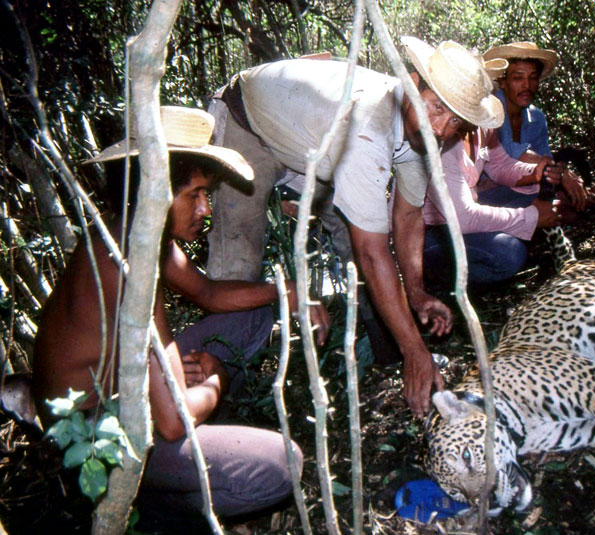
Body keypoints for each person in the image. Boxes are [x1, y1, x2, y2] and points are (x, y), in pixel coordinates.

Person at [32, 106, 330, 530]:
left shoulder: (131, 230)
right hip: (98, 438)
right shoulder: (130, 262)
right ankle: (157, 509)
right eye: (194, 195)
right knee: (282, 465)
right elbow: (172, 422)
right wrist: (217, 377)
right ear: (155, 190)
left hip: (127, 391)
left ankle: (197, 448)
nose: (205, 209)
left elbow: (207, 292)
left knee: (255, 316)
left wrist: (288, 293)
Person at [206, 37, 504, 418]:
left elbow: (408, 216)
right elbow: (373, 250)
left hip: (316, 145)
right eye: (435, 108)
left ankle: (385, 356)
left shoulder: (422, 132)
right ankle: (222, 390)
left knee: (356, 239)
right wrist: (417, 350)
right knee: (239, 258)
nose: (440, 129)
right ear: (412, 84)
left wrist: (416, 292)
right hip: (249, 123)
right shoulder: (369, 124)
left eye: (456, 121)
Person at [423, 126, 563, 289]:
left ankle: (505, 241)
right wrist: (530, 217)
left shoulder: (482, 128)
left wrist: (535, 172)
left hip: (469, 208)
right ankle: (433, 267)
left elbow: (500, 166)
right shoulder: (441, 145)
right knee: (509, 253)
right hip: (438, 228)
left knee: (535, 195)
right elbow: (465, 218)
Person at [483, 42, 595, 218]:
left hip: (523, 185)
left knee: (574, 203)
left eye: (533, 78)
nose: (526, 86)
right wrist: (563, 174)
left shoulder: (537, 118)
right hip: (485, 194)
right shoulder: (488, 111)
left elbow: (544, 160)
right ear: (502, 82)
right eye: (518, 78)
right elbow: (508, 155)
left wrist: (575, 188)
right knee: (554, 208)